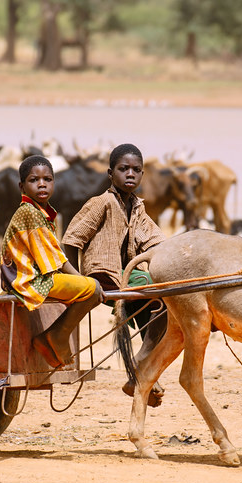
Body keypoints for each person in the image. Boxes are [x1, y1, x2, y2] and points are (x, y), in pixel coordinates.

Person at [62, 143, 168, 404]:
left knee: (159, 303)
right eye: (123, 169)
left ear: (142, 175)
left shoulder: (138, 208)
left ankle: (141, 371)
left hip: (125, 274)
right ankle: (141, 368)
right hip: (102, 274)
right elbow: (71, 239)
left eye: (136, 170)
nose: (129, 174)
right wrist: (78, 280)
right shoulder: (102, 202)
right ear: (110, 174)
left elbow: (156, 242)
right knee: (148, 285)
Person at [0, 155, 103, 368]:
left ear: (54, 183)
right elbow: (56, 260)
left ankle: (55, 336)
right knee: (92, 289)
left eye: (47, 179)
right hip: (29, 280)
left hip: (33, 277)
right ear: (22, 186)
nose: (41, 184)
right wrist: (86, 282)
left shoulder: (40, 212)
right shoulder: (28, 212)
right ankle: (56, 336)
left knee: (89, 287)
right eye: (33, 180)